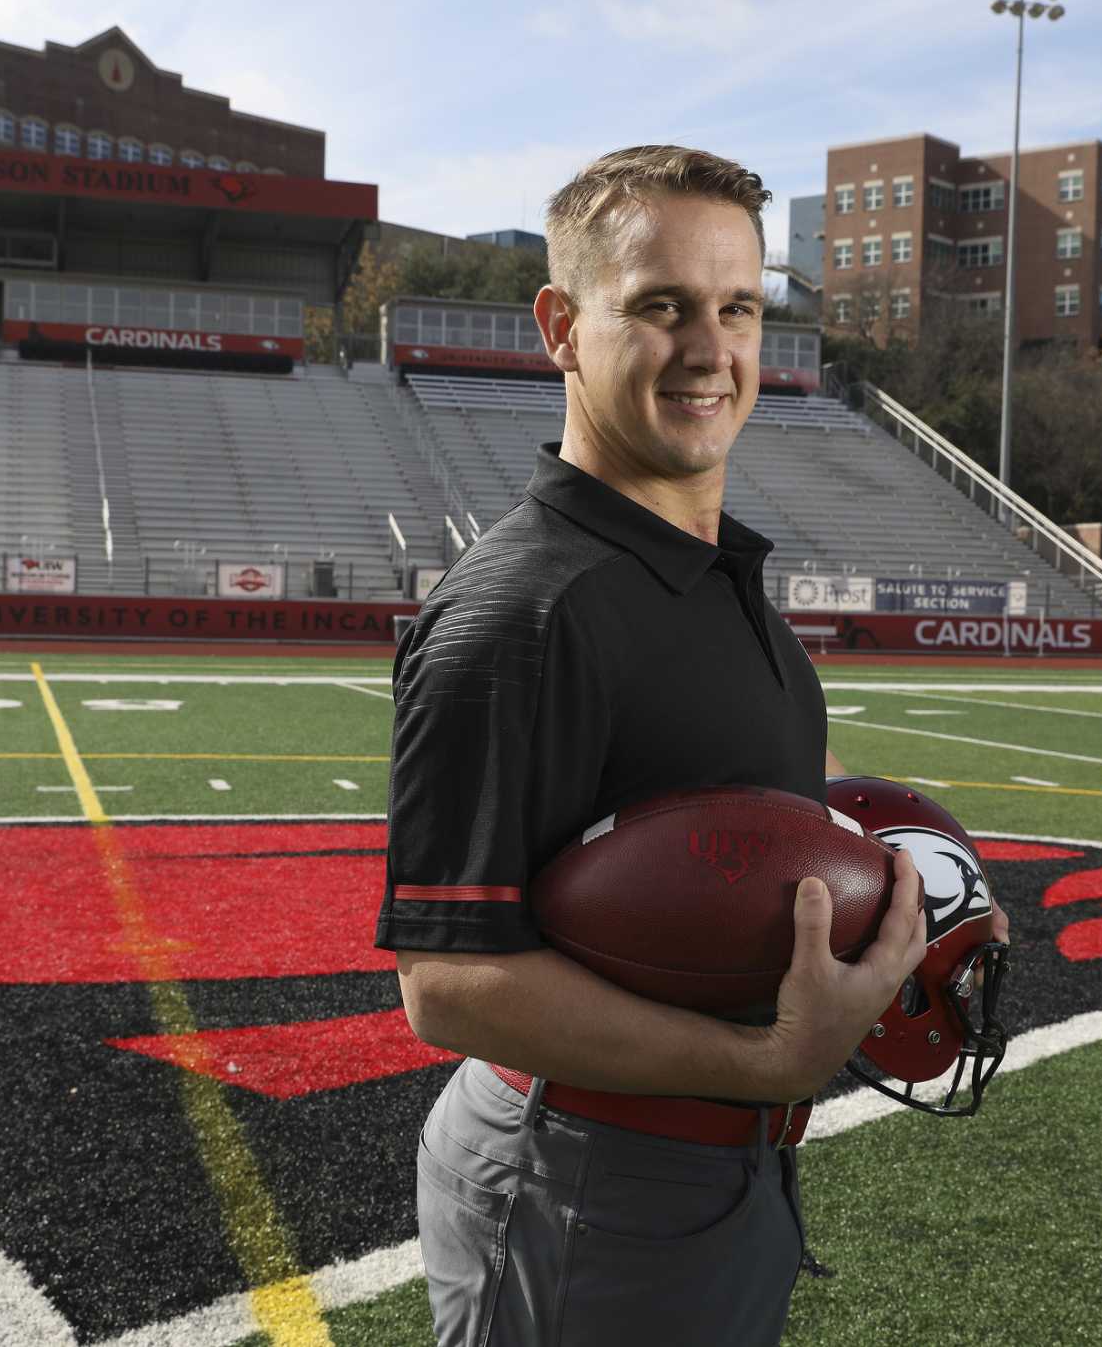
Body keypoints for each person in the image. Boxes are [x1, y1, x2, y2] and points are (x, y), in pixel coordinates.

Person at [375, 145, 929, 1347]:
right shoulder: (522, 614)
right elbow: (447, 982)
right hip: (589, 1174)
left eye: (737, 308)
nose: (708, 349)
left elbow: (699, 850)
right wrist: (773, 1061)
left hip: (700, 1168)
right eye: (661, 306)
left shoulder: (708, 576)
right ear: (562, 327)